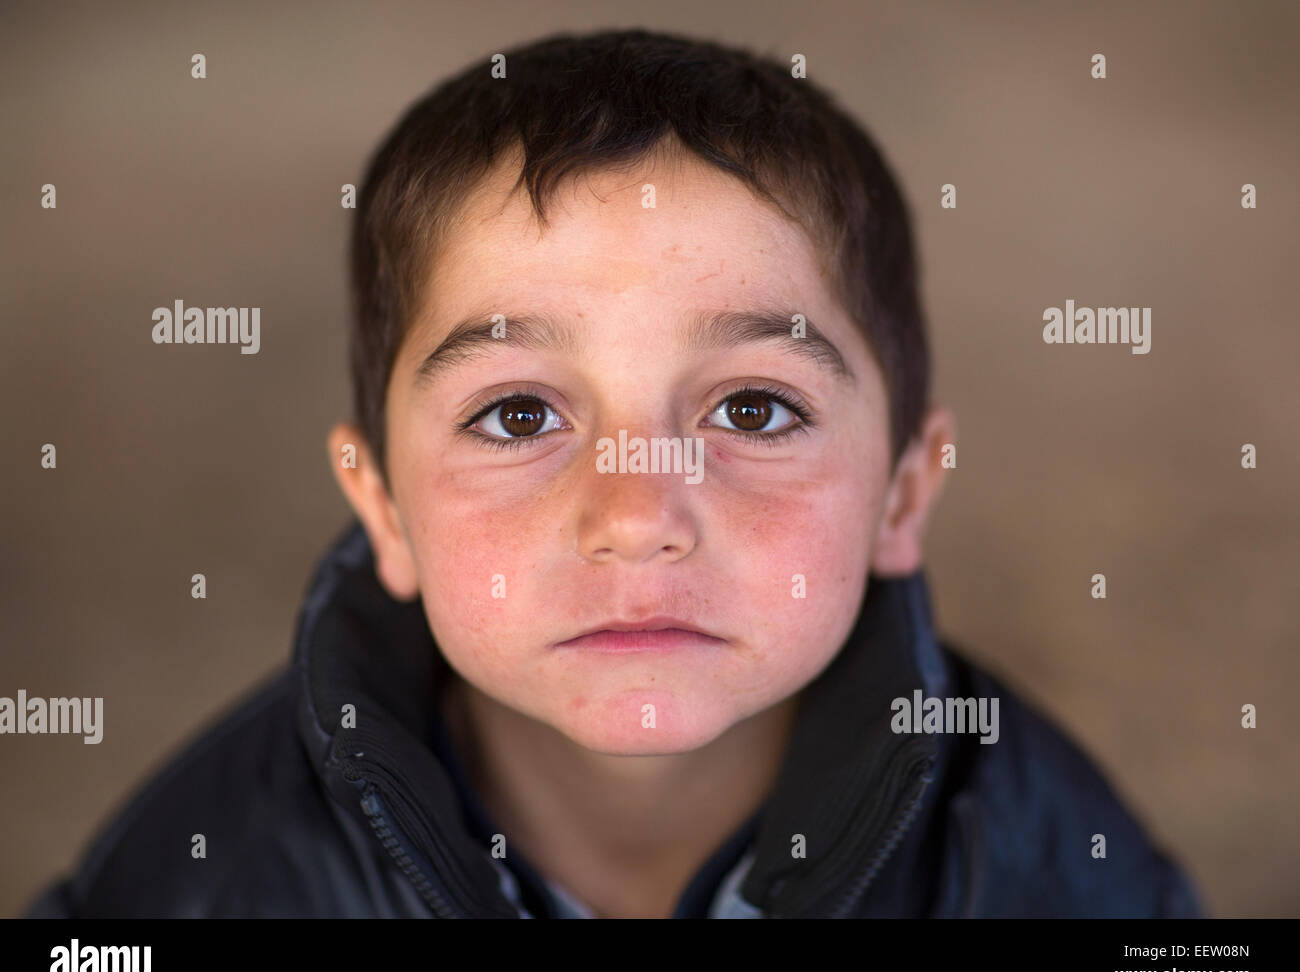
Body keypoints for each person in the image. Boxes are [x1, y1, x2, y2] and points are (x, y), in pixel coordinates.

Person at [26, 28, 1202, 918]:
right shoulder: (206, 874)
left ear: (903, 491)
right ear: (380, 504)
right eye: (520, 412)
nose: (636, 516)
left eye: (752, 407)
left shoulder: (1047, 861)